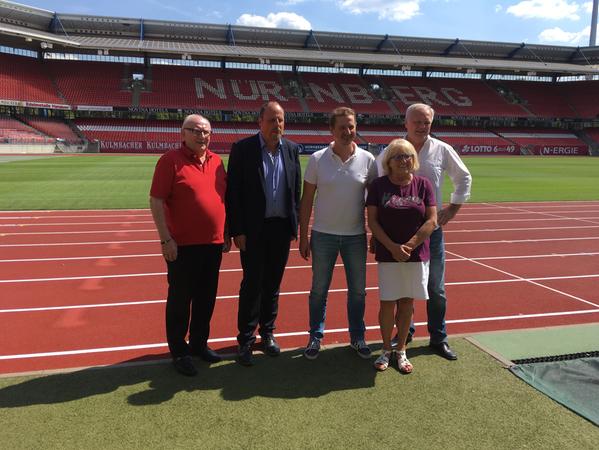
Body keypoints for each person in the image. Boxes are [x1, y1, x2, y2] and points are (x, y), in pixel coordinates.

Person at [376, 103, 472, 360]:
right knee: (401, 288)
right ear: (405, 123)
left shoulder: (442, 150)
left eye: (426, 122)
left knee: (435, 288)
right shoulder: (392, 150)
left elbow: (464, 178)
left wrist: (452, 208)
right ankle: (404, 336)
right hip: (394, 233)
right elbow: (376, 181)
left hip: (430, 231)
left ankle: (438, 338)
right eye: (417, 121)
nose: (421, 126)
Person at [149, 114, 230, 377]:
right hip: (181, 246)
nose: (201, 135)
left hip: (213, 244)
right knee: (180, 301)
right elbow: (157, 200)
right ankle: (179, 351)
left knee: (206, 299)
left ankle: (198, 344)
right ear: (182, 134)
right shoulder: (169, 161)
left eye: (206, 131)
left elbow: (223, 200)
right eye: (195, 130)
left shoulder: (217, 161)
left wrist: (226, 232)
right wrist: (165, 238)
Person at [226, 101, 302, 366]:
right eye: (271, 120)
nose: (276, 125)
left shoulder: (291, 150)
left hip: (281, 229)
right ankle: (245, 340)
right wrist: (237, 230)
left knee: (273, 284)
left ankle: (267, 333)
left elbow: (295, 191)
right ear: (260, 122)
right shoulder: (243, 149)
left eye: (280, 120)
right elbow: (233, 193)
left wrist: (294, 227)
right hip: (253, 230)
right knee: (252, 285)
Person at [299, 106, 378, 360]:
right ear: (331, 129)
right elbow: (307, 200)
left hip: (355, 236)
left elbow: (374, 202)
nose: (347, 131)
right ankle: (315, 337)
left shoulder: (368, 159)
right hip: (323, 235)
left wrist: (375, 233)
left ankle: (357, 337)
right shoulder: (317, 159)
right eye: (342, 127)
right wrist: (303, 236)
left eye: (351, 126)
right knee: (319, 290)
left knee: (358, 291)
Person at [367, 139, 437, 373]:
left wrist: (409, 245)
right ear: (388, 161)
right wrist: (392, 246)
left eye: (408, 156)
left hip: (415, 255)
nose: (404, 160)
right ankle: (386, 349)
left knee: (407, 302)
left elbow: (431, 220)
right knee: (387, 302)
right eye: (398, 156)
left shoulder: (423, 184)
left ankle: (401, 350)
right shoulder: (378, 186)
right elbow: (373, 222)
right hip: (388, 255)